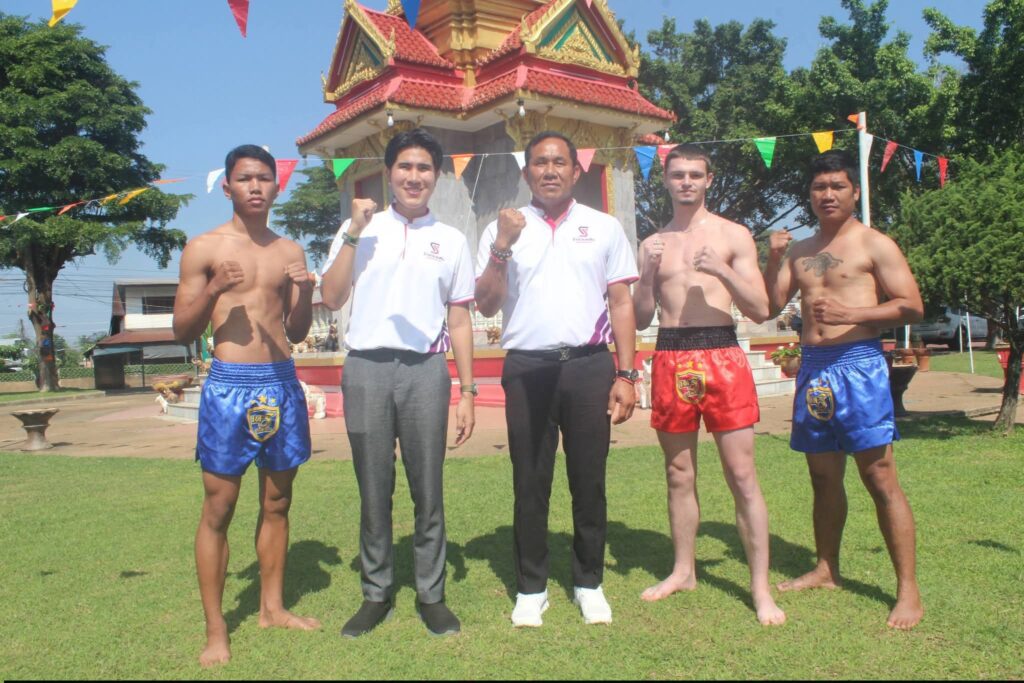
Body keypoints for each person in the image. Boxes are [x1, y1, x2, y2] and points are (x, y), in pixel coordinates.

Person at [474, 131, 638, 627]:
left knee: (589, 479)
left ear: (576, 169)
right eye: (540, 163)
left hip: (589, 365)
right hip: (527, 367)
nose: (550, 170)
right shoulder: (501, 228)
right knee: (530, 480)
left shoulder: (603, 227)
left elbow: (621, 302)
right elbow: (486, 304)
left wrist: (626, 373)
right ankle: (532, 587)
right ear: (526, 172)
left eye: (559, 162)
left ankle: (589, 582)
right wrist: (502, 246)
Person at [320, 128, 476, 637]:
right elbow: (332, 295)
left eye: (424, 168)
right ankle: (376, 592)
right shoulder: (360, 230)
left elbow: (459, 320)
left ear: (436, 175)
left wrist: (468, 390)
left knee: (427, 486)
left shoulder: (451, 240)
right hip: (366, 367)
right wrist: (353, 231)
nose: (414, 176)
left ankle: (431, 594)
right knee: (374, 486)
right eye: (404, 166)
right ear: (388, 173)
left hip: (425, 371)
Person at [763, 149, 925, 629]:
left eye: (837, 186)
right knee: (822, 477)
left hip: (858, 365)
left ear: (854, 191)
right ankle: (826, 568)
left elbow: (912, 305)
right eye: (820, 187)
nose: (828, 194)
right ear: (810, 195)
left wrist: (851, 314)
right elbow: (771, 305)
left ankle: (908, 590)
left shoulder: (875, 244)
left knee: (879, 476)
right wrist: (773, 258)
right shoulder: (801, 250)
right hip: (814, 369)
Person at [172, 144, 321, 667]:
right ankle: (216, 630)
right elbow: (182, 329)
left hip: (280, 381)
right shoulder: (204, 248)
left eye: (263, 178)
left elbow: (296, 331)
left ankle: (272, 609)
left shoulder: (289, 251)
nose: (255, 187)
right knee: (219, 507)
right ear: (227, 186)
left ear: (277, 186)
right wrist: (215, 287)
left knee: (278, 502)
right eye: (244, 178)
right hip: (229, 385)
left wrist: (305, 293)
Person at [632, 144, 786, 626]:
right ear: (665, 180)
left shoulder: (733, 234)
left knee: (741, 475)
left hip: (722, 354)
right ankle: (684, 571)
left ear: (709, 180)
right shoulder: (653, 242)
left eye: (695, 175)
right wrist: (646, 274)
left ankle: (760, 589)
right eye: (678, 175)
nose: (686, 182)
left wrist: (720, 269)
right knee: (678, 473)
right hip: (671, 354)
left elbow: (760, 309)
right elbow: (640, 317)